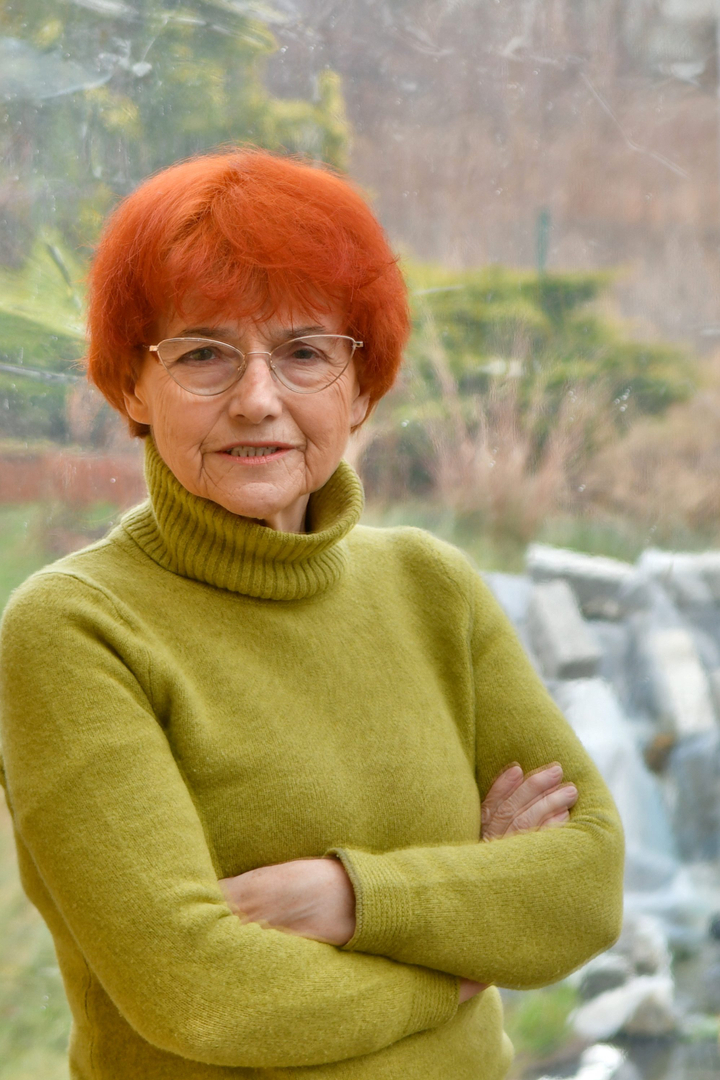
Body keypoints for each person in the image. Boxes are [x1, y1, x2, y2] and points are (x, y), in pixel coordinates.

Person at [0, 149, 623, 1080]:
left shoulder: (433, 587)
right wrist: (458, 960)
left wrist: (349, 897)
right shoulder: (75, 628)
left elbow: (587, 884)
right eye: (203, 354)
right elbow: (202, 992)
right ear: (132, 385)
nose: (258, 400)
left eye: (304, 353)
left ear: (361, 386)